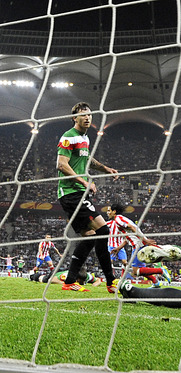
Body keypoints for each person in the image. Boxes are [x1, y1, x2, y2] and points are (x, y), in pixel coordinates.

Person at [57, 101, 118, 293]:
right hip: (72, 192)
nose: (87, 117)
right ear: (74, 118)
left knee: (90, 237)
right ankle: (110, 280)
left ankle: (70, 281)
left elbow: (87, 159)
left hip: (78, 193)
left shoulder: (84, 138)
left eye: (90, 115)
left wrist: (105, 169)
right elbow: (61, 164)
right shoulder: (68, 137)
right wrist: (84, 182)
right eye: (83, 114)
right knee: (103, 230)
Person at [107, 203, 171, 287]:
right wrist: (118, 248)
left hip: (138, 245)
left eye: (109, 211)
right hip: (138, 244)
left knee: (135, 271)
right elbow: (127, 238)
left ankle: (161, 271)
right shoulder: (119, 220)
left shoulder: (118, 220)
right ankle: (156, 282)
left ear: (114, 211)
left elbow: (133, 228)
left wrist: (145, 240)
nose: (108, 213)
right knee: (139, 270)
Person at [30, 266, 102, 290]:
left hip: (64, 270)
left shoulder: (87, 276)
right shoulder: (67, 276)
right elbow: (52, 280)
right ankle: (33, 274)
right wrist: (66, 283)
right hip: (55, 274)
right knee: (42, 279)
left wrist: (94, 285)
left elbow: (98, 280)